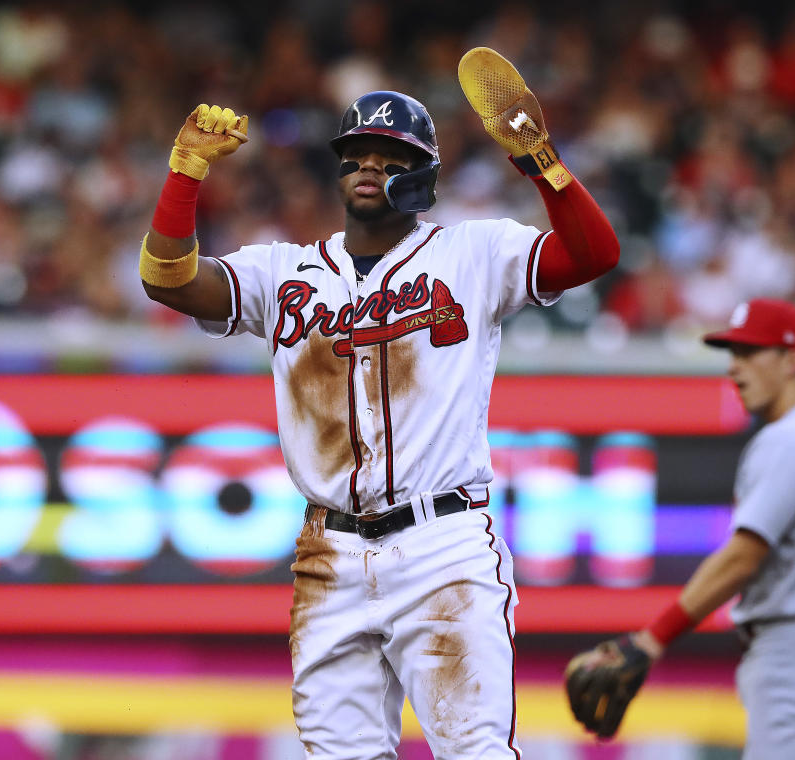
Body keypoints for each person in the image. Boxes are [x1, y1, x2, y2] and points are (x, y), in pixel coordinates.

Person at [139, 65, 620, 758]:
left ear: (424, 174)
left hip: (441, 544)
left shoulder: (472, 252)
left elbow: (593, 254)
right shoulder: (284, 271)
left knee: (476, 750)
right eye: (356, 156)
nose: (368, 167)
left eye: (390, 158)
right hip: (328, 552)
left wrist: (539, 161)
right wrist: (184, 174)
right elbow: (168, 280)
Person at [566, 298, 795, 759]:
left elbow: (743, 555)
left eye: (750, 353)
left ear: (794, 360)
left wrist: (652, 638)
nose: (735, 369)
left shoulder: (787, 440)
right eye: (732, 354)